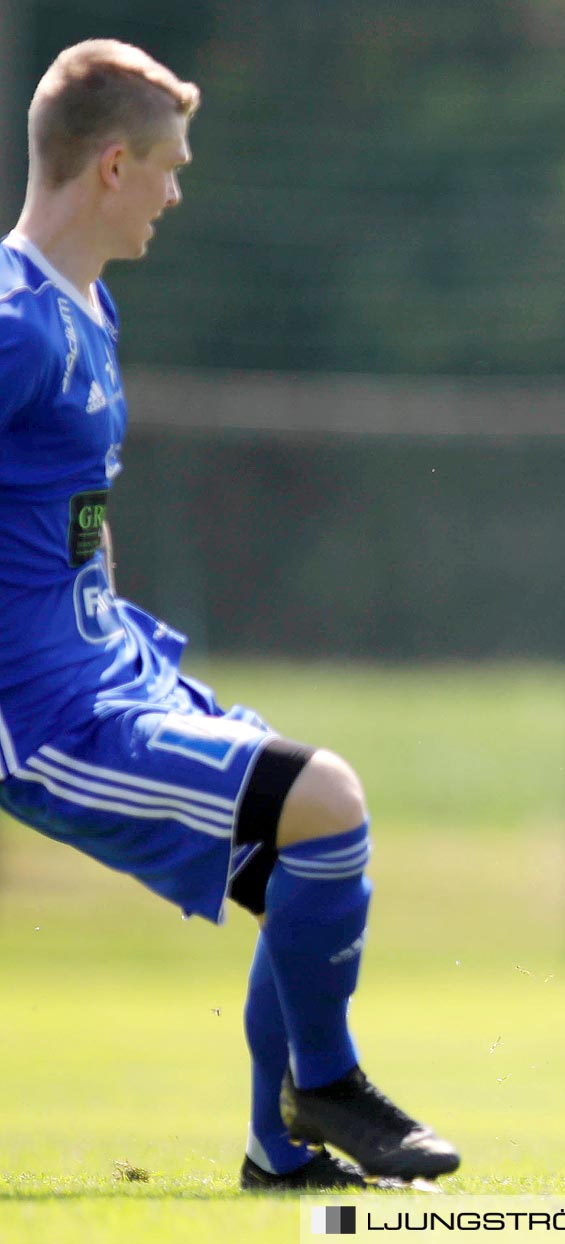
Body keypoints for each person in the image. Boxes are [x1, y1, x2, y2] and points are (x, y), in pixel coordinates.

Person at [0, 40, 458, 1192]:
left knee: (307, 847)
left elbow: (69, 512)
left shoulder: (85, 306)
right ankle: (329, 1087)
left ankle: (283, 1148)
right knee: (326, 798)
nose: (177, 189)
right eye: (168, 165)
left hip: (111, 674)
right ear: (111, 166)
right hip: (44, 716)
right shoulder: (12, 322)